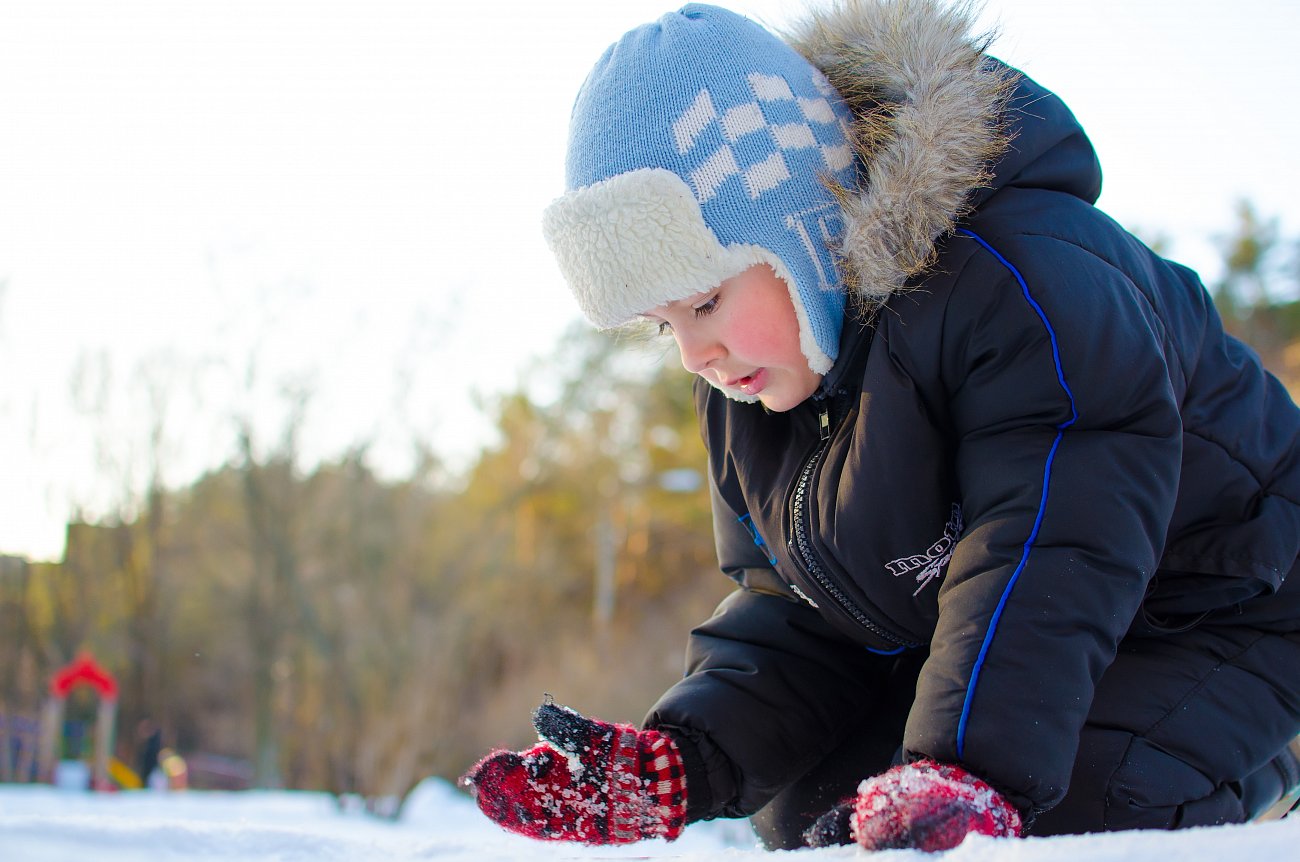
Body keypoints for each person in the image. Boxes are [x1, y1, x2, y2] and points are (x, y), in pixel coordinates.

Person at [463, 0, 1300, 851]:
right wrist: (688, 758)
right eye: (660, 324)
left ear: (799, 225)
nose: (693, 355)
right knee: (816, 821)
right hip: (1012, 639)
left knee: (1059, 811)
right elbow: (801, 612)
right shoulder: (760, 388)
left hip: (1220, 606)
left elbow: (1053, 544)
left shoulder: (1015, 280)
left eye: (706, 299)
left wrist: (967, 767)